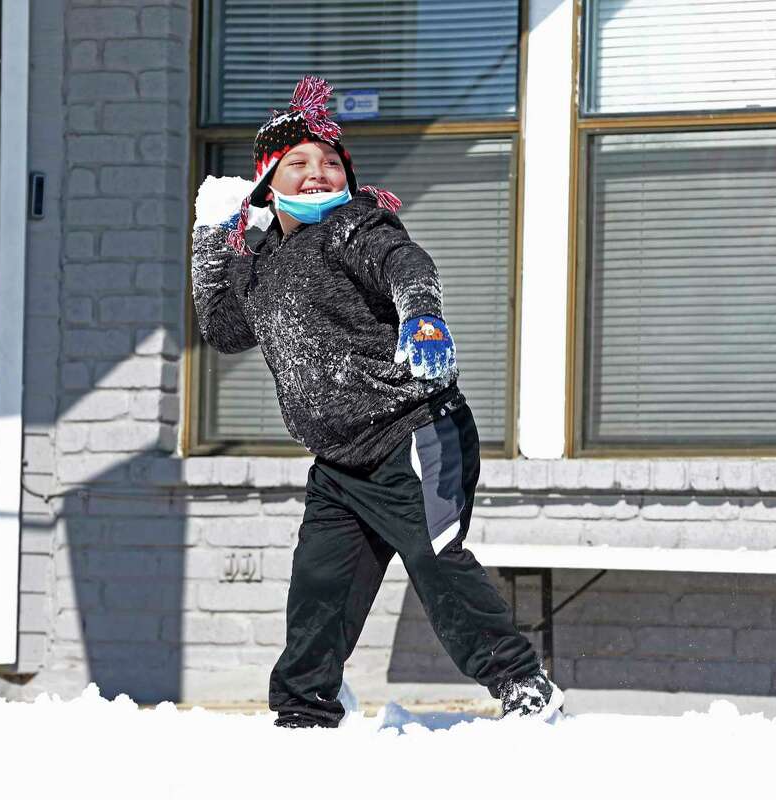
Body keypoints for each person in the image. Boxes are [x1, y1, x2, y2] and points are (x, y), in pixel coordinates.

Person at [190, 75, 561, 728]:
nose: (318, 174)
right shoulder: (262, 262)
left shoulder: (352, 227)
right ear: (265, 182)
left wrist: (422, 317)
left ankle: (523, 684)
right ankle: (306, 710)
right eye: (298, 163)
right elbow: (221, 328)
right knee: (320, 584)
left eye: (331, 163)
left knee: (433, 557)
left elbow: (406, 263)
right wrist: (210, 237)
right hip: (338, 462)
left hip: (413, 430)